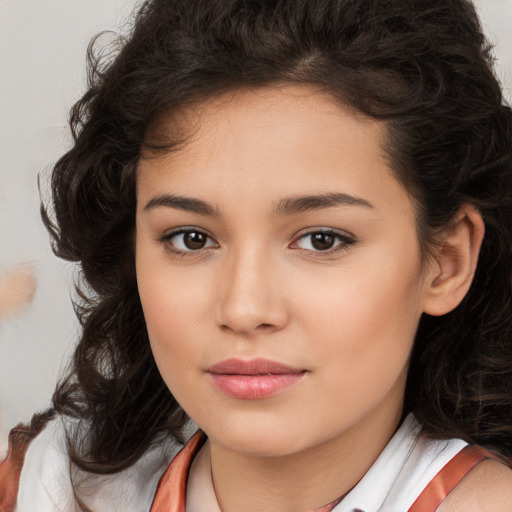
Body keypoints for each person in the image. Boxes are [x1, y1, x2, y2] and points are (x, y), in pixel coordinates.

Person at [2, 0, 512, 510]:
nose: (244, 309)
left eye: (321, 239)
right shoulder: (47, 490)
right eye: (191, 238)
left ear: (447, 261)